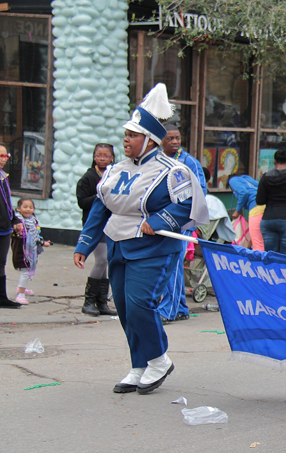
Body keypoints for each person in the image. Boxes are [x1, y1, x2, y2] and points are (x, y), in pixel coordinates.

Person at [73, 83, 209, 395]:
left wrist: (159, 220)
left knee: (139, 305)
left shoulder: (172, 170)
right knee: (122, 306)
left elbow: (190, 203)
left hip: (154, 247)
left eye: (132, 136)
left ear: (149, 140)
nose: (126, 141)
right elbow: (101, 208)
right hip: (119, 244)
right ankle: (139, 364)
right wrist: (85, 243)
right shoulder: (115, 170)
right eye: (125, 135)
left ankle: (159, 360)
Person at [157, 122, 207, 324]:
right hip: (162, 221)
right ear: (160, 140)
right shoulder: (157, 161)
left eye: (177, 137)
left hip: (182, 222)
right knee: (169, 265)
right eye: (170, 138)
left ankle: (168, 310)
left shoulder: (189, 162)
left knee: (173, 265)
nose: (175, 141)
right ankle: (180, 308)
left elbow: (200, 192)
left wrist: (189, 219)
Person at [75, 143, 117, 316]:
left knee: (106, 261)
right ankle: (89, 301)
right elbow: (82, 201)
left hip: (111, 225)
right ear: (94, 157)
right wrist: (100, 196)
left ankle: (102, 302)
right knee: (101, 260)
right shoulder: (88, 177)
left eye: (106, 155)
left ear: (112, 158)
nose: (102, 158)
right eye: (99, 155)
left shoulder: (115, 175)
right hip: (95, 225)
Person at [10, 198, 50, 304]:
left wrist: (42, 242)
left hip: (31, 251)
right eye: (25, 207)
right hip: (22, 251)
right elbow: (16, 235)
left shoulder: (33, 221)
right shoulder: (17, 222)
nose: (28, 209)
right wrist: (16, 229)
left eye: (31, 207)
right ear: (18, 208)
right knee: (26, 271)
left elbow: (35, 236)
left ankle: (21, 288)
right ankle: (20, 295)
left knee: (27, 271)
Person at [0, 142, 23, 308]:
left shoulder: (3, 177)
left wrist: (14, 220)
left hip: (4, 227)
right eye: (0, 156)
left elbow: (7, 203)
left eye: (5, 156)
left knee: (1, 263)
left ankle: (2, 297)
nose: (3, 159)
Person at [229, 174, 263, 251]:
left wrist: (237, 210)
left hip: (255, 208)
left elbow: (243, 193)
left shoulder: (233, 180)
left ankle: (258, 262)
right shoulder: (247, 179)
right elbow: (260, 186)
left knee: (257, 243)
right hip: (266, 206)